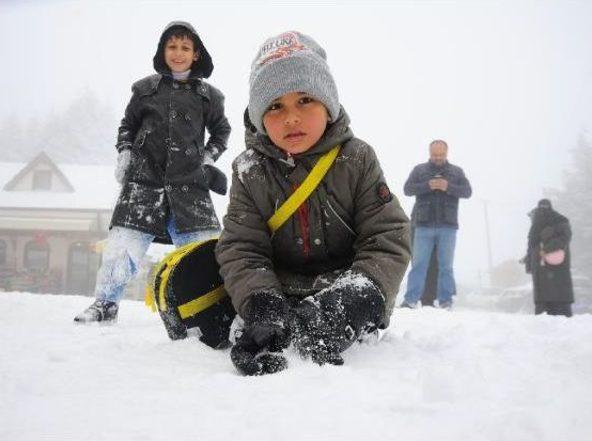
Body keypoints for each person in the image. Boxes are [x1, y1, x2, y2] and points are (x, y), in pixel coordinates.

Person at [215, 31, 411, 375]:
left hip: (342, 295)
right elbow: (242, 248)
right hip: (281, 297)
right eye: (275, 106)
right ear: (259, 117)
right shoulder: (249, 171)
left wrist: (354, 300)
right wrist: (262, 304)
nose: (291, 117)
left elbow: (387, 238)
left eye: (305, 100)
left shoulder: (357, 158)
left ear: (328, 105)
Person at [74, 21, 231, 323]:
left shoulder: (209, 95)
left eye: (185, 47)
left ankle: (215, 312)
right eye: (172, 46)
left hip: (190, 188)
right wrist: (124, 152)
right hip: (143, 184)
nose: (178, 53)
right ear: (163, 51)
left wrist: (209, 158)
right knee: (121, 249)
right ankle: (105, 305)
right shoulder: (144, 90)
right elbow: (127, 127)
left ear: (196, 54)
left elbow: (221, 131)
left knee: (207, 253)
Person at [401, 140, 471, 309]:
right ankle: (410, 300)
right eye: (435, 155)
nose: (438, 158)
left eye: (441, 155)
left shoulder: (456, 172)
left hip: (448, 227)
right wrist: (427, 185)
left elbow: (467, 192)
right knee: (418, 265)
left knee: (446, 266)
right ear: (429, 153)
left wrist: (448, 187)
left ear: (446, 153)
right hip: (423, 226)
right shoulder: (419, 170)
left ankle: (446, 301)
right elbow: (407, 189)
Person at [524, 199, 574, 317]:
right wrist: (529, 261)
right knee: (558, 297)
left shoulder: (538, 224)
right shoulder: (560, 221)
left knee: (545, 302)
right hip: (555, 267)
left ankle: (547, 321)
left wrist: (542, 252)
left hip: (545, 266)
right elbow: (563, 240)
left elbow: (531, 246)